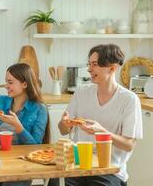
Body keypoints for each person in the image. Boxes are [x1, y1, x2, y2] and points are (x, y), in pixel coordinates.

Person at [57, 44, 143, 186]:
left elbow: (128, 145)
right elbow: (63, 129)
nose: (89, 69)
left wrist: (102, 132)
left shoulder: (129, 100)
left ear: (112, 68)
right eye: (89, 64)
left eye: (95, 64)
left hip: (109, 170)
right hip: (78, 166)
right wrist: (65, 123)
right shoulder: (81, 92)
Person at [0, 63, 48, 186]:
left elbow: (35, 147)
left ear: (25, 84)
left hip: (21, 162)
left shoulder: (39, 109)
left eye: (10, 82)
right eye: (6, 82)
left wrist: (18, 127)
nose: (6, 86)